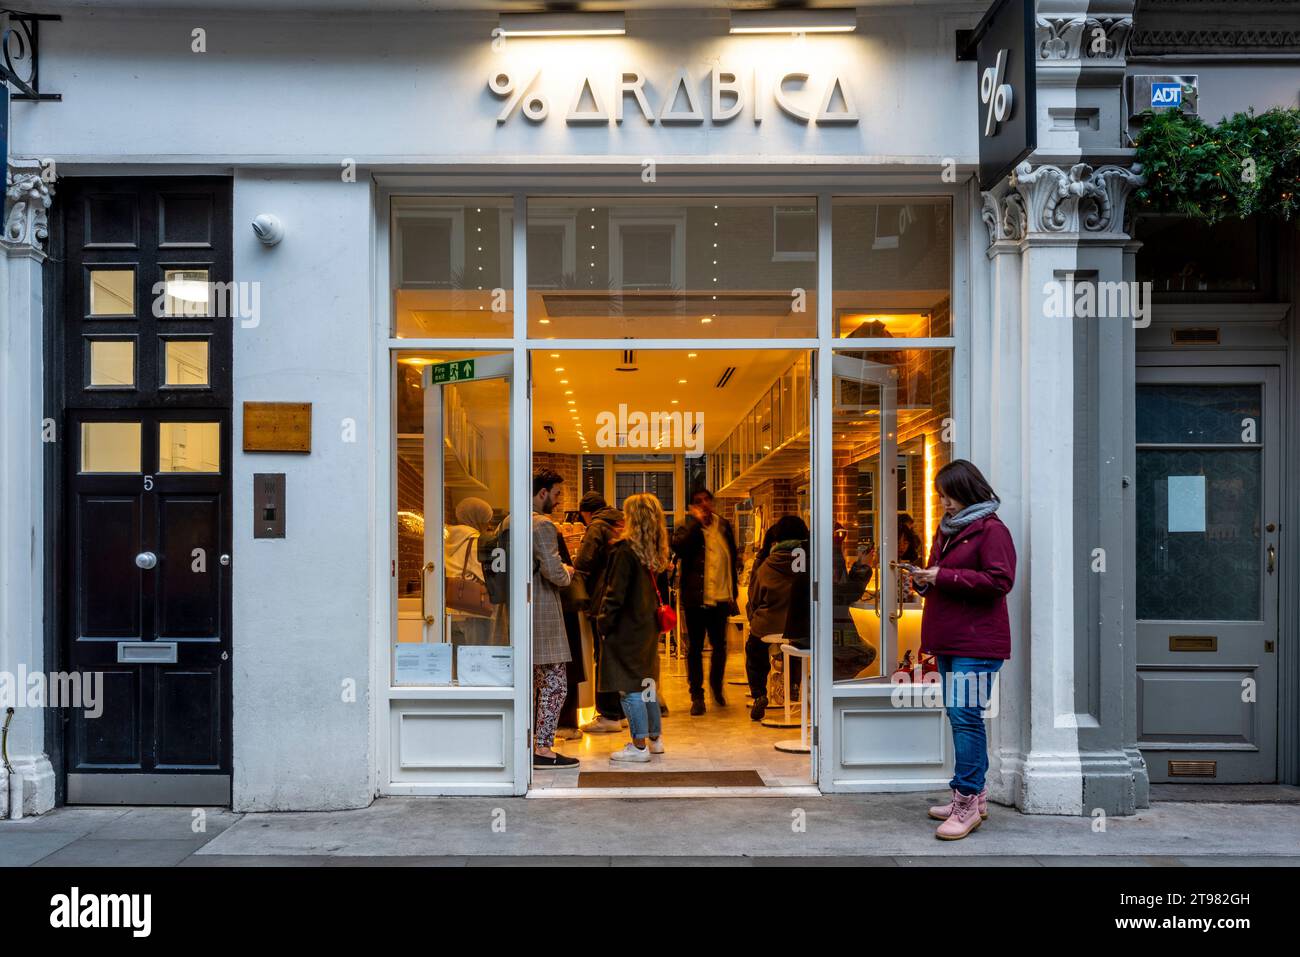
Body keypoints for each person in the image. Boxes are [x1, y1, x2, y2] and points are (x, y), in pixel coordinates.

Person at [909, 459, 1015, 840]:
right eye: (941, 496)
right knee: (960, 716)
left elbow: (1000, 581)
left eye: (948, 494)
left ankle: (967, 801)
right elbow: (943, 574)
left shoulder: (992, 531)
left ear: (966, 491)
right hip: (950, 638)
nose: (944, 502)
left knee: (965, 716)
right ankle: (973, 796)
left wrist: (944, 576)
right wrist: (924, 580)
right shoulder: (950, 531)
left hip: (977, 642)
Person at [597, 493, 671, 763]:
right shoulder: (655, 549)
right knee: (647, 681)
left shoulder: (625, 550)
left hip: (626, 628)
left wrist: (603, 622)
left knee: (629, 687)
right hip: (647, 626)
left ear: (633, 518)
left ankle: (638, 745)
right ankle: (655, 739)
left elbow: (615, 594)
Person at [516, 468, 579, 769]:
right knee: (555, 684)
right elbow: (554, 573)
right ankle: (542, 748)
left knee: (529, 683)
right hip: (541, 613)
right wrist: (568, 571)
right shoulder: (541, 525)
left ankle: (526, 742)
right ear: (542, 493)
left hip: (518, 613)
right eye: (555, 495)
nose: (557, 502)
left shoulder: (510, 520)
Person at [671, 487, 741, 715]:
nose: (704, 505)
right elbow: (679, 548)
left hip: (720, 597)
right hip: (695, 599)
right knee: (695, 648)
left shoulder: (724, 526)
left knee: (720, 646)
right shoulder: (687, 527)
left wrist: (733, 593)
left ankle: (716, 687)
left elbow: (732, 557)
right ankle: (697, 695)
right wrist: (695, 523)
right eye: (698, 502)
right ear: (692, 506)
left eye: (706, 501)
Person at [574, 492, 631, 734]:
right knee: (618, 657)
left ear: (586, 513)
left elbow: (584, 562)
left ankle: (608, 714)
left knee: (604, 657)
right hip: (624, 599)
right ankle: (622, 712)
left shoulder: (596, 527)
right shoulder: (621, 524)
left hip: (602, 599)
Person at [744, 515, 809, 721]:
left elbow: (754, 598)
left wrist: (754, 618)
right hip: (800, 625)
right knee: (797, 644)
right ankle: (795, 686)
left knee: (754, 650)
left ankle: (759, 694)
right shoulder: (811, 561)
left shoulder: (766, 565)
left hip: (768, 624)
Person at [444, 497, 495, 648]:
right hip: (472, 612)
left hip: (449, 609)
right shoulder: (476, 542)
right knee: (474, 659)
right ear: (477, 519)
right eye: (486, 520)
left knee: (454, 660)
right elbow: (485, 575)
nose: (488, 524)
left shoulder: (445, 539)